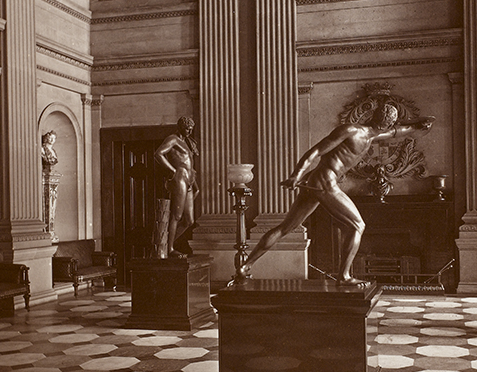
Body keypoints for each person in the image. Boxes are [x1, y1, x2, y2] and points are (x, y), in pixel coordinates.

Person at [241, 103, 433, 285]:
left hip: (314, 181)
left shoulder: (371, 135)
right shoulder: (351, 130)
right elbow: (315, 151)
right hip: (325, 182)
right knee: (358, 226)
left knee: (285, 227)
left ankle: (245, 266)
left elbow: (397, 132)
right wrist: (295, 175)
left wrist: (418, 124)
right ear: (387, 123)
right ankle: (344, 276)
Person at [155, 117, 199, 258]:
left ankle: (166, 244)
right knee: (176, 216)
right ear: (180, 127)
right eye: (187, 128)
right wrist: (173, 171)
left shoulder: (186, 142)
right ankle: (169, 249)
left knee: (189, 221)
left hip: (189, 179)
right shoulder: (172, 139)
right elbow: (158, 154)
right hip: (180, 177)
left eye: (191, 128)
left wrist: (195, 184)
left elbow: (189, 164)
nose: (189, 131)